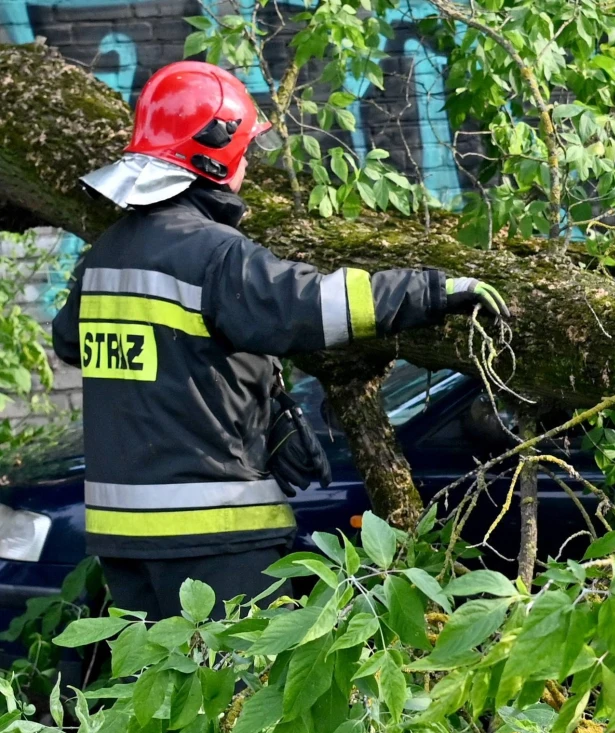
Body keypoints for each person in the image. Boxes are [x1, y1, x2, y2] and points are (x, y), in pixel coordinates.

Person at [51, 61, 509, 620]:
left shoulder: (106, 256)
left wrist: (255, 398)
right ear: (214, 154)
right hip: (216, 534)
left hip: (123, 540)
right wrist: (432, 290)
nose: (247, 160)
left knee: (161, 700)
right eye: (243, 147)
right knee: (246, 697)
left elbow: (78, 343)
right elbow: (313, 306)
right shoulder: (214, 253)